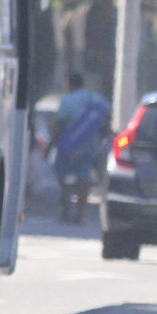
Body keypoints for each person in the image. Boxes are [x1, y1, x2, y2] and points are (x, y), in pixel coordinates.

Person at [51, 72, 111, 224]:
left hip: (70, 144)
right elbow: (106, 121)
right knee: (83, 176)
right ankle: (80, 214)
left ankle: (66, 210)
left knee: (62, 175)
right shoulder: (97, 99)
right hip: (91, 144)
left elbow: (60, 125)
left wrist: (51, 145)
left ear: (70, 84)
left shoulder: (68, 101)